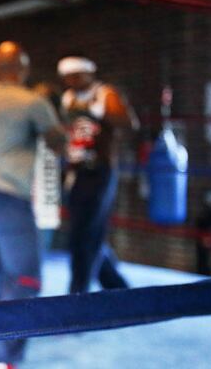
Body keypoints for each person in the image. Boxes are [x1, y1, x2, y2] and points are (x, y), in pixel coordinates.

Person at [0, 41, 66, 369]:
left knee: (0, 271)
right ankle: (0, 358)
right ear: (22, 68)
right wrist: (49, 104)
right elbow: (58, 142)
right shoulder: (32, 101)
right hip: (8, 196)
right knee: (26, 277)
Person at [58, 55, 139, 294]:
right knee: (82, 233)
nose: (72, 81)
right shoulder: (68, 98)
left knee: (87, 233)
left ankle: (77, 294)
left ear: (89, 73)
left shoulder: (105, 94)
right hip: (76, 172)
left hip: (101, 172)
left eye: (76, 75)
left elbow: (129, 123)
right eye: (67, 77)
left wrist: (99, 113)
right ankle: (119, 290)